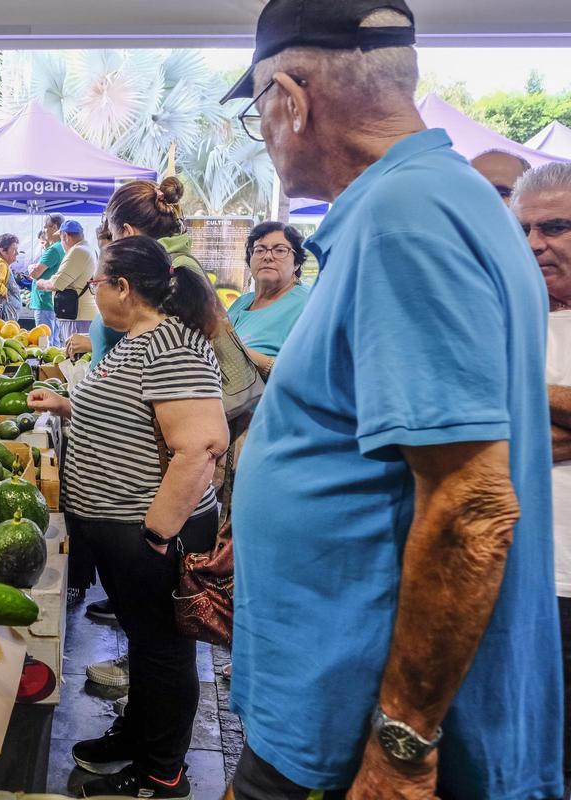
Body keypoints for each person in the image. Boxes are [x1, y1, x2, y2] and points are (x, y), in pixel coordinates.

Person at [221, 1, 561, 797]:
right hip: (337, 708)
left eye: (259, 112)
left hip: (356, 730)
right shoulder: (430, 200)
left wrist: (402, 746)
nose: (264, 133)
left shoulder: (405, 217)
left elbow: (473, 506)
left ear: (292, 99)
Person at [29, 235, 227, 799]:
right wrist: (70, 405)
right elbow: (135, 414)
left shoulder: (172, 345)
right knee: (145, 642)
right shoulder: (137, 341)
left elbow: (201, 446)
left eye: (97, 283)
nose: (94, 291)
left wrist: (158, 533)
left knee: (164, 651)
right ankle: (138, 736)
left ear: (122, 287)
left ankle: (163, 774)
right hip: (124, 530)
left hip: (152, 531)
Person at [510, 162, 571, 787]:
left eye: (555, 226)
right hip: (515, 581)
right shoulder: (503, 316)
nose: (534, 244)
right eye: (523, 228)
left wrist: (522, 390)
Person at [227, 221, 310, 374]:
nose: (268, 257)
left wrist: (244, 356)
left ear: (297, 263)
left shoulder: (309, 304)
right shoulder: (241, 302)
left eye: (279, 250)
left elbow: (312, 373)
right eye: (259, 250)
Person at [37, 220, 96, 341]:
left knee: (75, 356)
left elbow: (57, 284)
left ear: (66, 236)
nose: (61, 242)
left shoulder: (77, 251)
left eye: (61, 238)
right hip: (82, 315)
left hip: (77, 317)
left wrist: (41, 283)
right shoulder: (89, 249)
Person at [29, 214, 66, 344]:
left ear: (54, 227)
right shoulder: (62, 247)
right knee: (54, 340)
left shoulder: (53, 250)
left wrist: (31, 268)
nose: (44, 231)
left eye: (46, 227)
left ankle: (45, 365)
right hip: (53, 302)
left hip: (44, 301)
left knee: (44, 342)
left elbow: (35, 274)